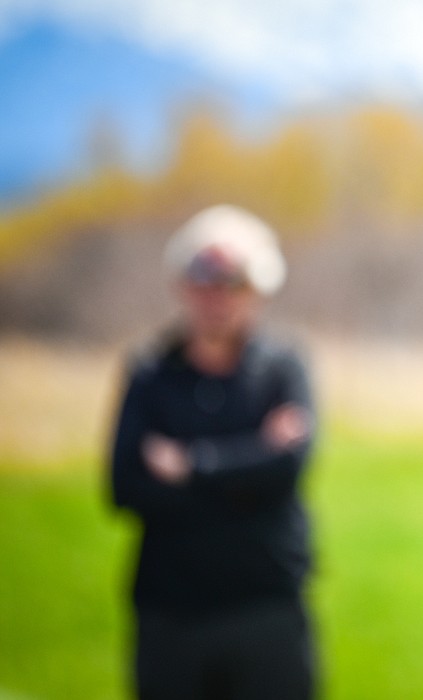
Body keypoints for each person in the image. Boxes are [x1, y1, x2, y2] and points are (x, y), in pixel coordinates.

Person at [108, 204, 317, 699]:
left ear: (258, 292)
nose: (217, 298)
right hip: (170, 613)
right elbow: (125, 487)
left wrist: (190, 466)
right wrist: (249, 461)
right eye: (204, 282)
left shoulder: (282, 369)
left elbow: (287, 470)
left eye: (234, 284)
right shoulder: (150, 373)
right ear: (182, 287)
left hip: (267, 606)